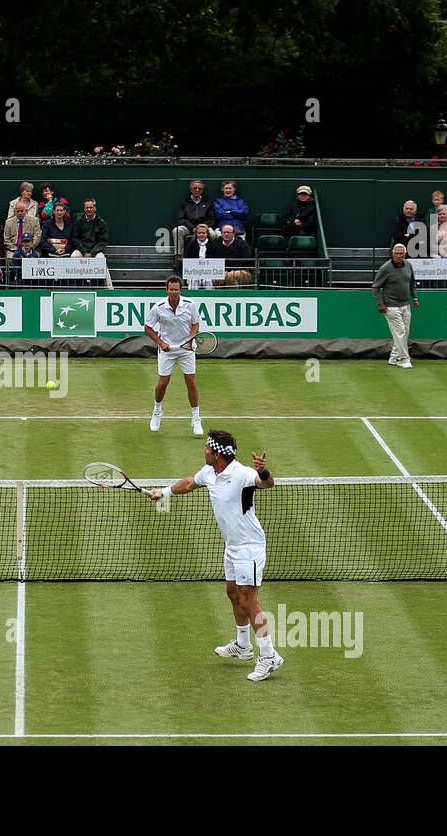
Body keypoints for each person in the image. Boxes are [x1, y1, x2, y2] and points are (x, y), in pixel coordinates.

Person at [148, 429, 282, 682]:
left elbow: (267, 484)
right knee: (232, 592)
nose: (204, 451)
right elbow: (189, 483)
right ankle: (243, 646)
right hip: (232, 546)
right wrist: (164, 493)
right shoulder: (210, 472)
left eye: (208, 449)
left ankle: (269, 655)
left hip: (249, 547)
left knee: (248, 600)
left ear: (218, 453)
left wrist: (263, 470)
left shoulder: (242, 474)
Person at [143, 276, 202, 435]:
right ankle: (157, 411)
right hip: (166, 350)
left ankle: (196, 418)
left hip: (186, 350)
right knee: (162, 383)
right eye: (171, 289)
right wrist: (161, 343)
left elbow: (196, 325)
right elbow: (148, 328)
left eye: (176, 289)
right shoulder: (158, 307)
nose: (174, 292)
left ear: (180, 290)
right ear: (167, 290)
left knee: (191, 382)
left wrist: (190, 339)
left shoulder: (190, 305)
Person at [373, 243, 418, 369]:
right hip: (391, 306)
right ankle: (404, 359)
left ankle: (394, 357)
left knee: (405, 332)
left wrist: (415, 297)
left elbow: (412, 283)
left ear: (405, 254)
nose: (398, 256)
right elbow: (375, 287)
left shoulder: (408, 265)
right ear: (392, 254)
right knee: (400, 332)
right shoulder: (385, 268)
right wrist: (380, 303)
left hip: (405, 304)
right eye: (396, 253)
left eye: (401, 254)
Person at [173, 179, 215, 263]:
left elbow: (211, 219)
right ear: (191, 189)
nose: (197, 190)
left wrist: (202, 228)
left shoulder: (208, 202)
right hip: (189, 227)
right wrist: (192, 228)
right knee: (177, 230)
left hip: (204, 228)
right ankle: (178, 259)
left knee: (213, 234)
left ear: (202, 190)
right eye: (195, 188)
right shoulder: (185, 202)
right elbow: (181, 219)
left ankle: (209, 258)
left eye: (200, 188)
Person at [70, 198, 109, 262]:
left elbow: (102, 241)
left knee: (101, 259)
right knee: (74, 256)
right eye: (87, 207)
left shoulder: (101, 222)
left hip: (96, 251)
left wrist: (92, 252)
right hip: (81, 250)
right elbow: (76, 238)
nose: (89, 209)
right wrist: (84, 251)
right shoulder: (78, 219)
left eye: (91, 207)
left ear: (95, 208)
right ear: (84, 209)